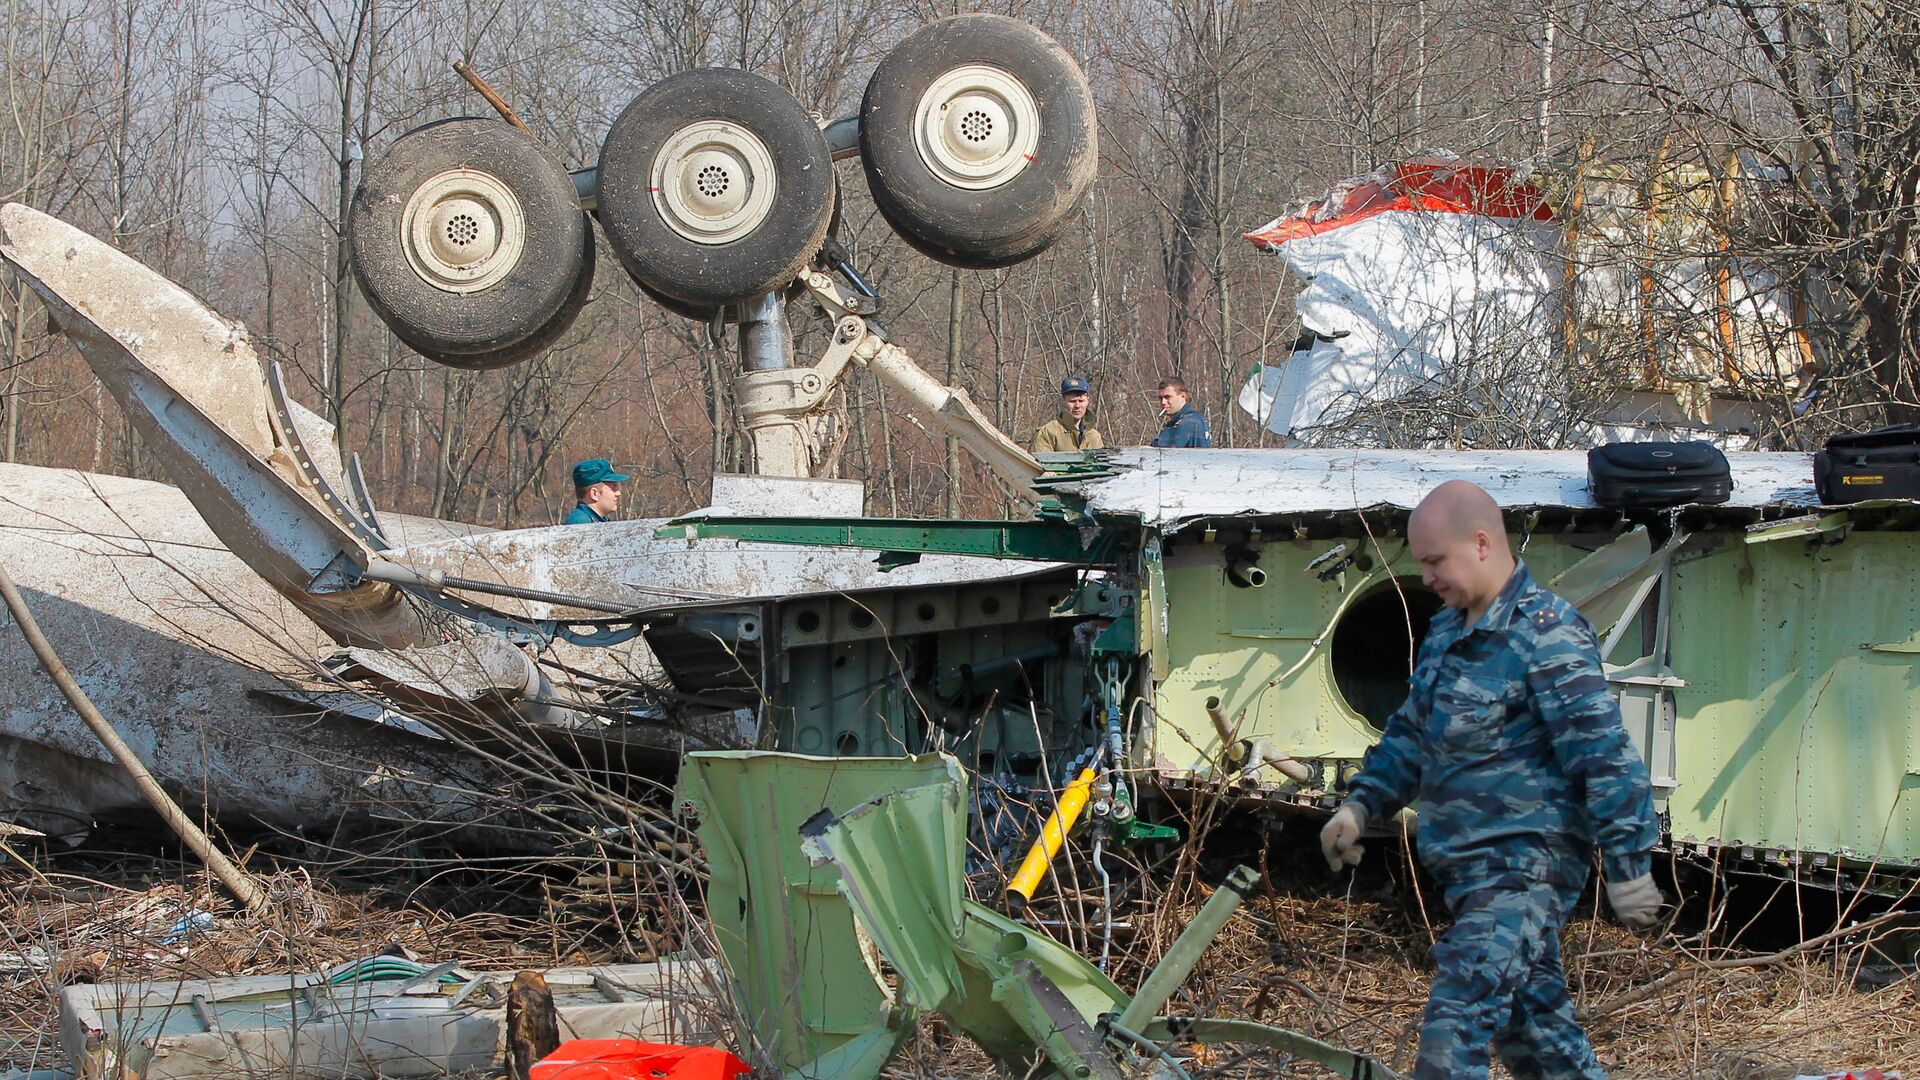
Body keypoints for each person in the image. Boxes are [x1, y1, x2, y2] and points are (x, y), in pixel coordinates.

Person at [1319, 480, 1661, 1079]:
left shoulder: (1546, 633)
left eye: (1433, 561)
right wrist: (1361, 806)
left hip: (1526, 872)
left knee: (1456, 1022)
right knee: (1540, 1040)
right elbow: (1413, 735)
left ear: (1481, 543)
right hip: (1468, 877)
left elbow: (1602, 756)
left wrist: (1630, 867)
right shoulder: (1448, 632)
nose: (1425, 577)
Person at [1030, 375, 1105, 453]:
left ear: (1087, 401)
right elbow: (1035, 464)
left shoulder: (1094, 437)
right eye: (1072, 401)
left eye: (1081, 401)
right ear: (1063, 401)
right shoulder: (1048, 433)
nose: (1077, 406)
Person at [1150, 377, 1211, 447]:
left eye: (1167, 397)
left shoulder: (1190, 421)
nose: (1163, 402)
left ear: (1183, 396)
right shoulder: (1181, 421)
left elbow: (1166, 452)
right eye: (1160, 398)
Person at [564, 458, 628, 524]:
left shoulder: (595, 520)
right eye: (613, 488)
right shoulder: (579, 523)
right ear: (594, 494)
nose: (618, 493)